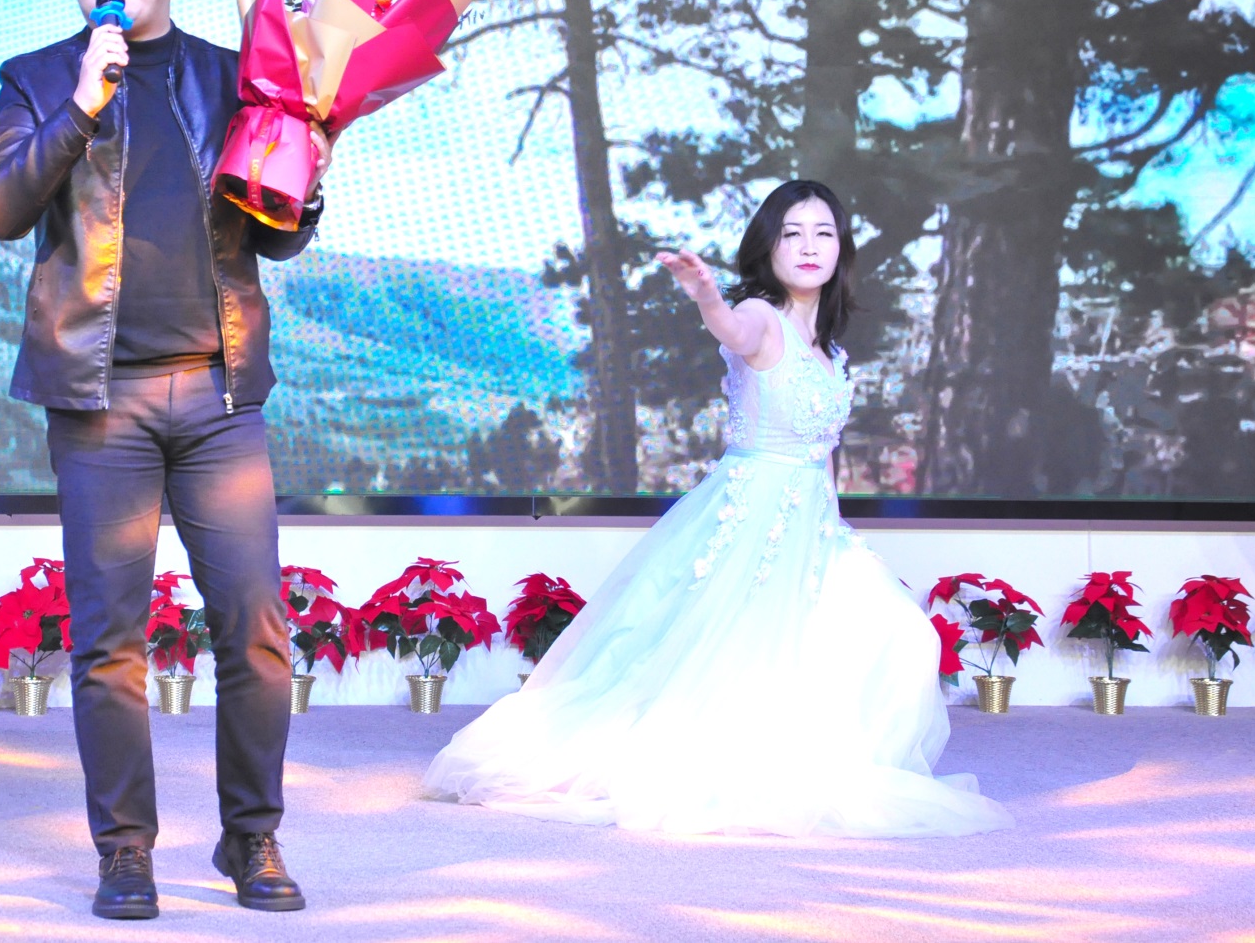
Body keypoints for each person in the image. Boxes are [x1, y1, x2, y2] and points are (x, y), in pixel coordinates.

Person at [423, 180, 1011, 838]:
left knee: (900, 634)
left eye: (823, 233)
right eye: (792, 233)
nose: (809, 246)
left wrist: (834, 528)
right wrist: (705, 292)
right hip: (751, 518)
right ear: (769, 247)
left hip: (815, 527)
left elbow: (821, 454)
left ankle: (828, 759)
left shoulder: (829, 349)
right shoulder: (760, 316)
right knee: (729, 656)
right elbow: (730, 327)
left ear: (840, 249)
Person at [0, 0, 322, 918]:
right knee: (109, 643)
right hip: (100, 404)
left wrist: (310, 163)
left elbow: (278, 236)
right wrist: (83, 103)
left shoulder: (234, 76)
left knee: (255, 629)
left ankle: (251, 837)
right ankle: (124, 849)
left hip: (219, 395)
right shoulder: (40, 78)